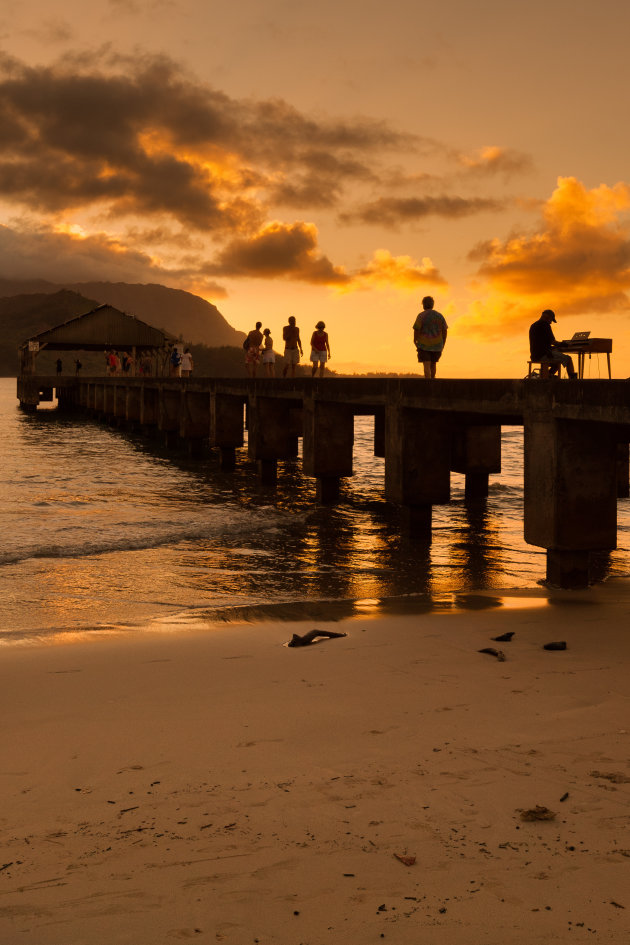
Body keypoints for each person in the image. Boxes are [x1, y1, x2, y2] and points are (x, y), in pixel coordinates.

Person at [529, 309, 577, 378]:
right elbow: (553, 342)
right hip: (543, 355)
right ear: (547, 317)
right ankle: (573, 381)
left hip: (534, 355)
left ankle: (547, 376)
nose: (551, 322)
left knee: (557, 362)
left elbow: (540, 343)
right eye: (551, 320)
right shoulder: (545, 325)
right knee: (568, 359)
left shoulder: (533, 325)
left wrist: (554, 348)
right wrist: (565, 344)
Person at [413, 296, 448, 378]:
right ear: (433, 304)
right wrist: (443, 343)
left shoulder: (421, 316)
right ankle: (433, 382)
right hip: (437, 345)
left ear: (424, 305)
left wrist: (415, 340)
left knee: (426, 365)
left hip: (424, 345)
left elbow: (416, 329)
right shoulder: (439, 316)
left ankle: (428, 384)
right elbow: (445, 330)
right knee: (433, 364)